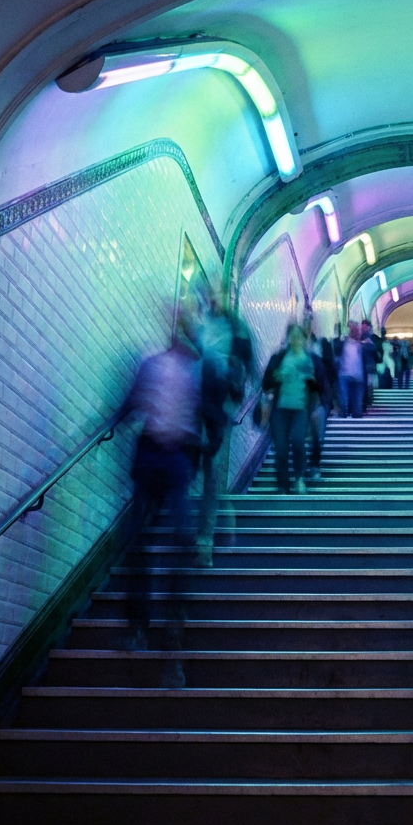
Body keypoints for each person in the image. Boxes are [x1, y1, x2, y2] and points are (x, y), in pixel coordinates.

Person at [119, 331, 202, 688]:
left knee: (182, 541)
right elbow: (133, 401)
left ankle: (172, 631)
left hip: (177, 458)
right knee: (137, 542)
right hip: (152, 454)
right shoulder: (151, 364)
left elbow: (205, 412)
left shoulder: (196, 372)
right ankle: (139, 624)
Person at [195, 294, 254, 568]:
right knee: (206, 473)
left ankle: (205, 542)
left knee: (212, 472)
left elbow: (248, 366)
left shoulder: (235, 330)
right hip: (195, 405)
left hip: (219, 410)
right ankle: (225, 522)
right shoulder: (203, 323)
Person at [262, 324, 316, 493]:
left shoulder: (309, 360)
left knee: (299, 442)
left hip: (300, 408)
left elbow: (315, 386)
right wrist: (277, 377)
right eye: (292, 336)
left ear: (303, 339)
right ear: (288, 339)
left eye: (298, 336)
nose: (295, 340)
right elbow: (265, 383)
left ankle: (299, 478)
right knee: (281, 448)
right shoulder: (279, 358)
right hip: (280, 409)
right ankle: (283, 483)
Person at [307, 328, 332, 482]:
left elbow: (327, 377)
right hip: (302, 403)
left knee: (316, 436)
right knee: (312, 436)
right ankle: (309, 467)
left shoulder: (320, 356)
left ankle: (314, 465)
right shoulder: (293, 357)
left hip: (317, 401)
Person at [339, 322, 365, 418]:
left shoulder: (362, 345)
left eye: (356, 330)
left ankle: (356, 416)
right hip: (344, 374)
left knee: (357, 399)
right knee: (344, 397)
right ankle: (344, 413)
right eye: (353, 330)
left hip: (358, 376)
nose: (355, 332)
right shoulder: (343, 343)